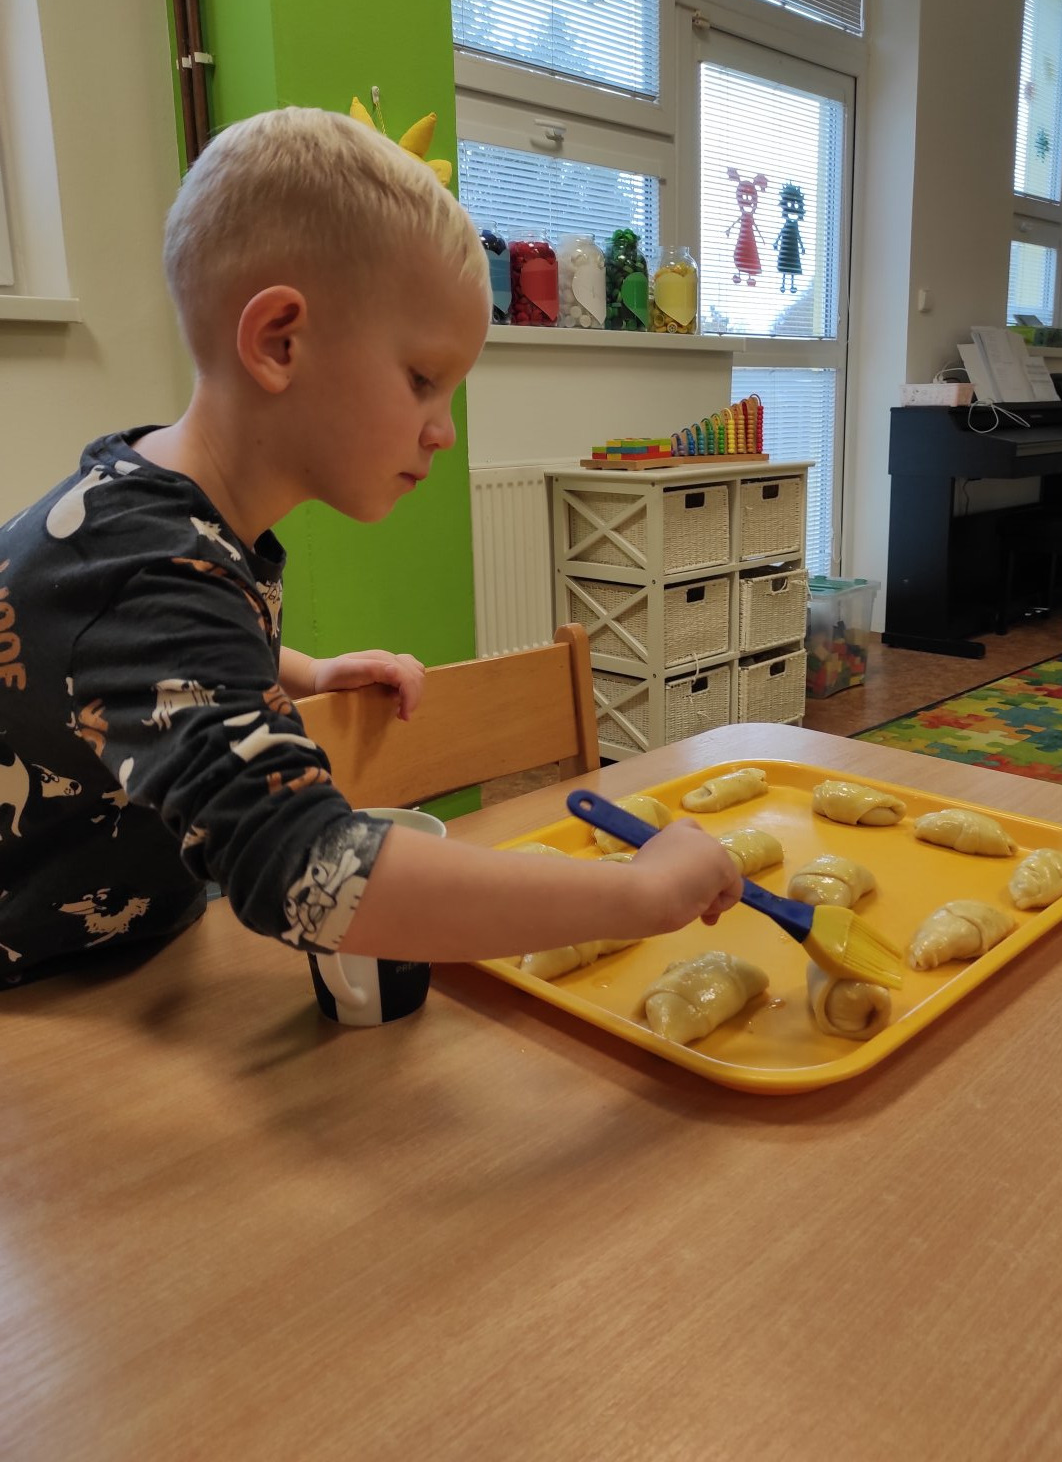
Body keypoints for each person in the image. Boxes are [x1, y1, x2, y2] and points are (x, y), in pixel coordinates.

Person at [0, 107, 741, 987]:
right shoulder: (143, 570)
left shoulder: (145, 517)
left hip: (133, 963)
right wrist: (637, 895)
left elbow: (121, 666)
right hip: (38, 1004)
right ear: (279, 342)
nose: (444, 432)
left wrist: (298, 670)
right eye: (423, 379)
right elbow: (308, 872)